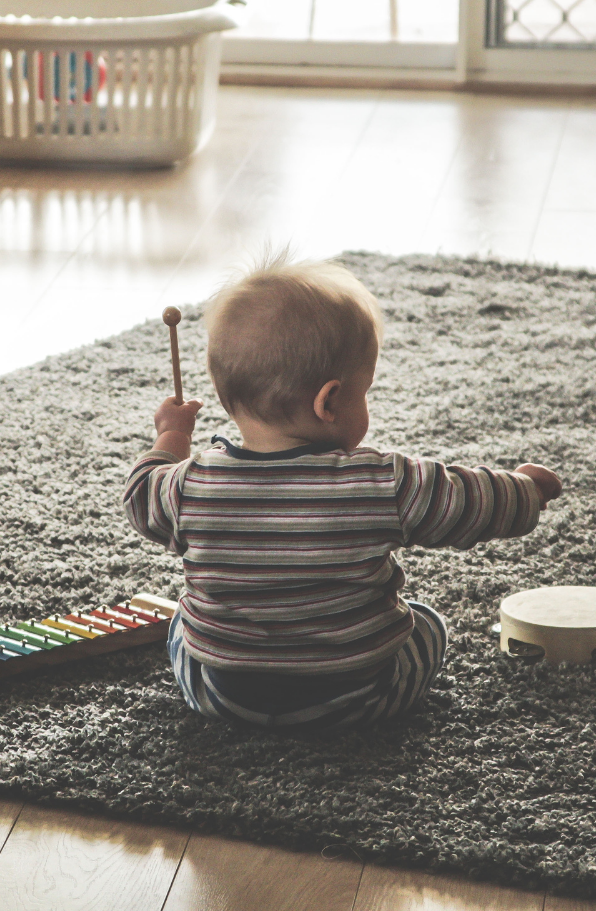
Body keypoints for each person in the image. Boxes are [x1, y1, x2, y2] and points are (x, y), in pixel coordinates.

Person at [123, 255, 561, 732]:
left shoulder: (188, 487)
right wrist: (527, 490)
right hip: (359, 698)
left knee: (180, 626)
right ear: (329, 401)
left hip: (226, 698)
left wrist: (171, 436)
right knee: (428, 623)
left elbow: (140, 494)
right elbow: (470, 500)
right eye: (364, 391)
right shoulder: (382, 482)